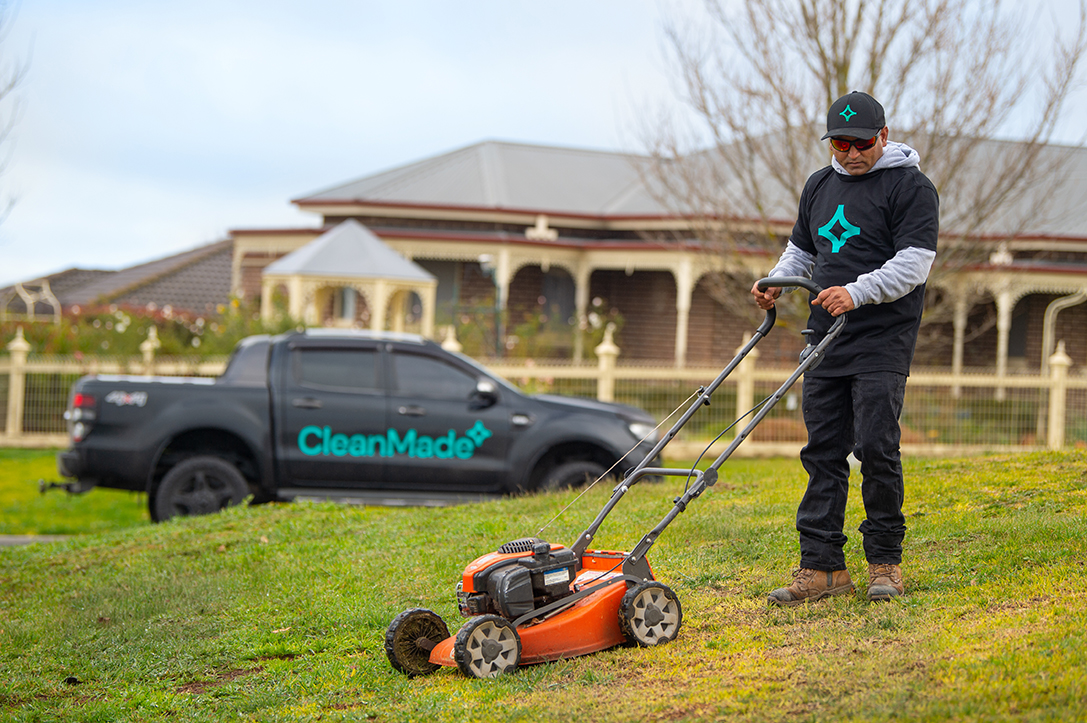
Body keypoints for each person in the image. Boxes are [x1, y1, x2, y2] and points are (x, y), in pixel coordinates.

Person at [750, 90, 939, 605]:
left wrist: (855, 293)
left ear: (882, 135)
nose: (850, 153)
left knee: (876, 449)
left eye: (860, 142)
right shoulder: (819, 185)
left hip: (882, 341)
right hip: (824, 340)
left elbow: (914, 264)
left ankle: (884, 563)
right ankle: (822, 568)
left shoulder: (911, 187)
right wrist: (777, 281)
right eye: (839, 143)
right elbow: (802, 250)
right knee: (822, 453)